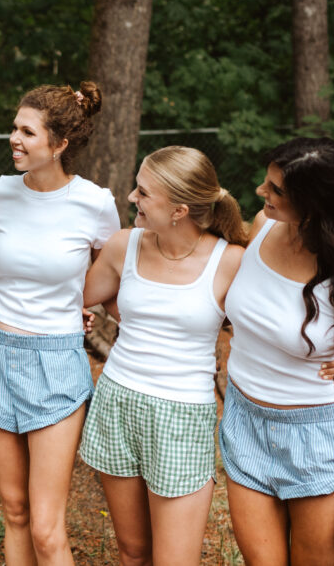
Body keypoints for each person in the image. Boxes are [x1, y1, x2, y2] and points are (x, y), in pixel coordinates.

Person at [0, 82, 120, 566]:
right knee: (13, 510)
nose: (14, 138)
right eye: (14, 127)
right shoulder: (2, 192)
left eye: (27, 132)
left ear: (60, 145)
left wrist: (91, 304)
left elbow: (110, 278)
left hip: (56, 363)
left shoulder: (94, 202)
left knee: (47, 527)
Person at [220, 137, 334, 565]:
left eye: (277, 189)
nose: (263, 192)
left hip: (318, 438)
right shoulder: (262, 226)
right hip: (244, 423)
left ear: (314, 202)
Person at [77, 146, 248, 565]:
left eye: (143, 192)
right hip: (117, 402)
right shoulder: (123, 246)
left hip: (181, 415)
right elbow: (79, 297)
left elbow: (274, 327)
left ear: (179, 210)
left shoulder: (231, 262)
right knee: (133, 551)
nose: (132, 198)